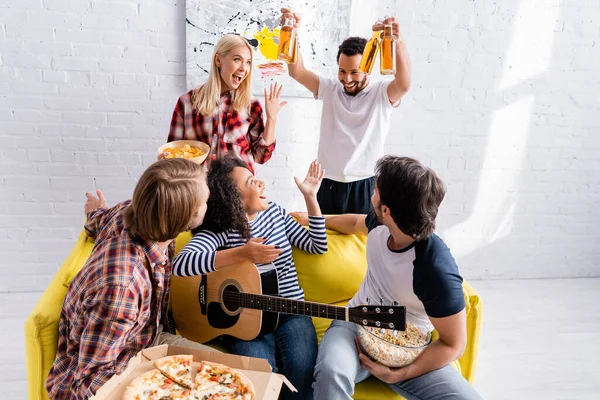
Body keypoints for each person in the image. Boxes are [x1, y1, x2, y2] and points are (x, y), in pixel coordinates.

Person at [292, 156, 482, 400]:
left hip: (408, 346)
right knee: (331, 373)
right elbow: (354, 222)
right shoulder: (383, 223)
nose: (372, 190)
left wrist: (402, 373)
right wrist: (312, 219)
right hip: (354, 323)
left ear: (386, 209)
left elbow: (454, 344)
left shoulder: (435, 270)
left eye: (375, 188)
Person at [46, 159, 214, 400]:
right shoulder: (121, 288)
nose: (208, 204)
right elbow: (87, 384)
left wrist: (95, 209)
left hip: (147, 339)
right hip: (116, 372)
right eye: (205, 201)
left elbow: (97, 219)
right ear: (183, 217)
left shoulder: (131, 212)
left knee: (229, 377)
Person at [172, 155, 328, 400]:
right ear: (234, 196)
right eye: (251, 181)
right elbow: (182, 264)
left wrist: (311, 196)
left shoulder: (275, 213)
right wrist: (242, 254)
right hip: (246, 321)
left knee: (301, 370)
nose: (261, 184)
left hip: (291, 312)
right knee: (260, 378)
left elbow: (317, 245)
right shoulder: (221, 229)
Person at [281, 8, 411, 215]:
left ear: (367, 67)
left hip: (364, 184)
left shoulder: (381, 94)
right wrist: (291, 32)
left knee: (361, 244)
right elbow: (297, 71)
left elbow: (403, 85)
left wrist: (397, 41)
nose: (347, 79)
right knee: (325, 242)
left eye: (354, 72)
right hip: (328, 182)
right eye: (342, 71)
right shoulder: (331, 88)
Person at [168, 34, 287, 174]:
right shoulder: (186, 103)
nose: (244, 68)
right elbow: (172, 158)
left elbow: (261, 157)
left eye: (248, 62)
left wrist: (271, 120)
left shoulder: (251, 105)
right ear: (218, 60)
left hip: (238, 192)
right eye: (237, 59)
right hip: (198, 190)